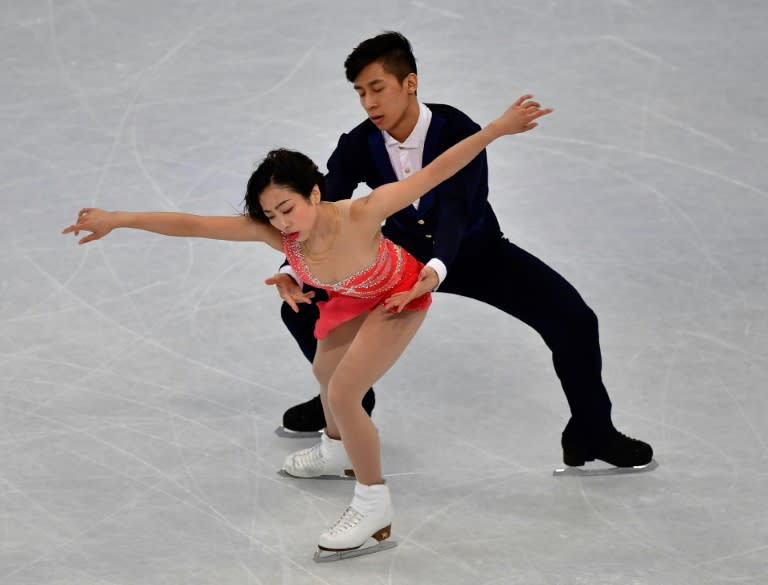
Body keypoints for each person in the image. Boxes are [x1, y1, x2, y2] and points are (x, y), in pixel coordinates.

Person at [62, 95, 552, 555]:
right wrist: (118, 218)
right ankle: (339, 451)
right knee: (325, 374)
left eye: (288, 207)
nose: (281, 222)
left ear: (315, 193)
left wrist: (497, 129)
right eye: (271, 214)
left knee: (341, 395)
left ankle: (372, 505)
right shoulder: (282, 239)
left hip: (400, 297)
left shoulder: (363, 213)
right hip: (354, 299)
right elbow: (193, 223)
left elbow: (436, 172)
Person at [271, 31, 653, 470]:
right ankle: (339, 400)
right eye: (360, 93)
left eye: (377, 88)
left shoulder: (458, 130)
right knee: (298, 309)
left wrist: (437, 268)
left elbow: (456, 208)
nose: (369, 103)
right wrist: (294, 268)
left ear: (409, 83)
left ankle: (592, 431)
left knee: (575, 320)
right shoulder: (359, 143)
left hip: (474, 253)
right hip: (394, 262)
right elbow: (325, 206)